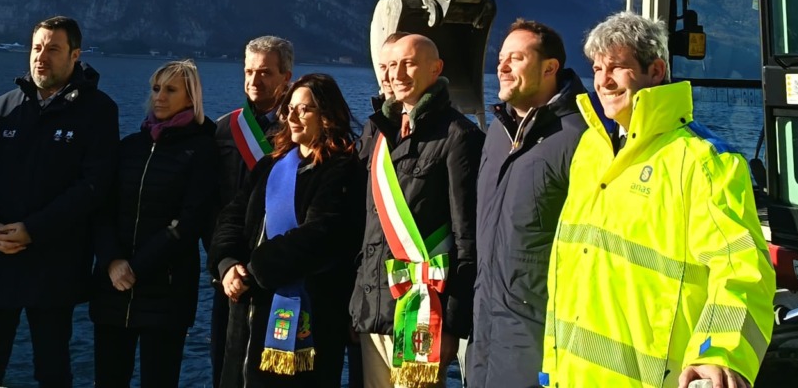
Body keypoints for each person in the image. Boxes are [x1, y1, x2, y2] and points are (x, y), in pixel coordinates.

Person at [541, 12, 774, 388]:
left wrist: (719, 355)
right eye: (598, 68)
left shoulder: (704, 161)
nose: (603, 80)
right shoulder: (590, 150)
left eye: (617, 67)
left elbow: (742, 270)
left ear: (656, 70)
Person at [0, 15, 119, 388]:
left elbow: (94, 186)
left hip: (55, 264)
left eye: (53, 49)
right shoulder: (5, 106)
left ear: (75, 55)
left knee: (52, 367)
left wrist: (34, 229)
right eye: (36, 48)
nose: (41, 57)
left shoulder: (98, 110)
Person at [211, 73, 365, 387]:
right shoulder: (270, 165)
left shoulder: (341, 170)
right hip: (246, 317)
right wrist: (226, 264)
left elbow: (320, 235)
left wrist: (253, 272)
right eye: (290, 109)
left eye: (304, 110)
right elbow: (232, 218)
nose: (292, 117)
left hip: (308, 315)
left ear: (327, 116)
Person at [351, 34, 484, 388]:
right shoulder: (377, 132)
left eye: (408, 63)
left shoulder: (459, 136)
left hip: (426, 310)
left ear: (436, 68)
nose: (398, 73)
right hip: (375, 305)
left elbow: (466, 235)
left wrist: (454, 320)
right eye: (391, 65)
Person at [470, 19, 587, 388]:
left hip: (537, 335)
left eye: (515, 59)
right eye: (501, 58)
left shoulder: (579, 139)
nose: (501, 67)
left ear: (550, 68)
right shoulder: (496, 134)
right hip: (485, 325)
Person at [90, 60, 220, 388]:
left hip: (168, 291)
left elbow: (190, 220)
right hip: (113, 289)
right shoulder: (129, 148)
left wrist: (136, 266)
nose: (159, 97)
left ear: (191, 98)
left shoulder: (202, 151)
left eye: (170, 90)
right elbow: (102, 209)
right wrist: (112, 261)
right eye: (156, 88)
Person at [212, 35, 295, 384]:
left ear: (286, 77)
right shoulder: (223, 130)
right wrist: (224, 262)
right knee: (226, 366)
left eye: (264, 73)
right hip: (230, 273)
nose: (253, 81)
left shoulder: (300, 129)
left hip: (282, 275)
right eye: (248, 71)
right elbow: (210, 205)